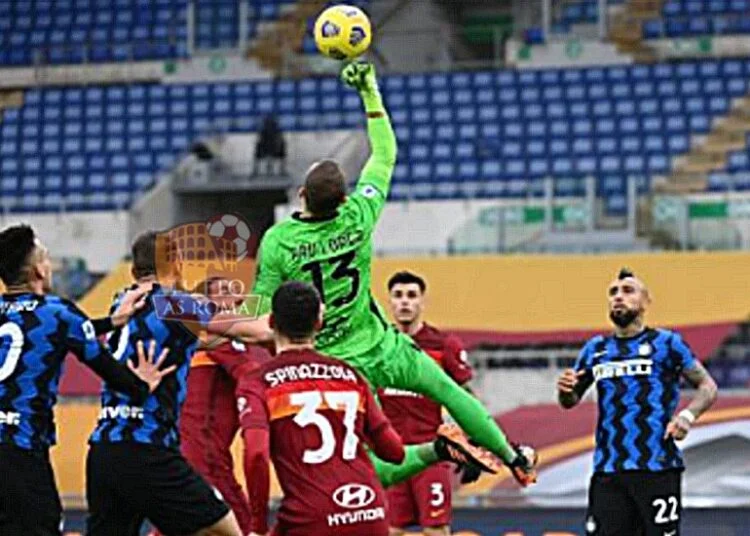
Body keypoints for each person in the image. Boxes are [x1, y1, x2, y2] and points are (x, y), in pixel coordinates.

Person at [250, 61, 536, 483]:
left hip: (339, 363)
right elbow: (385, 152)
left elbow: (255, 308)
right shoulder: (359, 215)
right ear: (345, 199)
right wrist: (369, 91)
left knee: (372, 470)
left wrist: (213, 317)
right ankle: (514, 457)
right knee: (448, 392)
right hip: (384, 344)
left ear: (301, 195)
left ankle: (435, 450)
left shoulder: (279, 240)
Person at [237, 281, 503, 536]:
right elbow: (394, 452)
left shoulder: (258, 381)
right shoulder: (350, 375)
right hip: (369, 512)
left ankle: (439, 449)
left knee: (435, 527)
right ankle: (439, 449)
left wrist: (258, 525)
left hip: (310, 517)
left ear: (271, 322)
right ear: (319, 322)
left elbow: (257, 454)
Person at [86, 231, 272, 536]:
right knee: (226, 531)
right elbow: (255, 333)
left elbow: (198, 339)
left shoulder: (123, 301)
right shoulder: (176, 305)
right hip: (147, 447)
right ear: (177, 263)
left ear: (135, 271)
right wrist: (288, 313)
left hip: (105, 450)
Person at [0, 224, 172, 535]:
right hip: (19, 449)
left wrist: (112, 321)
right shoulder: (56, 313)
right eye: (47, 258)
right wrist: (141, 384)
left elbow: (41, 336)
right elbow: (105, 366)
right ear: (38, 270)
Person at [557, 268, 719, 536]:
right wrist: (565, 391)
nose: (618, 297)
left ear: (645, 302)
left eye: (628, 291)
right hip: (608, 471)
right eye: (613, 292)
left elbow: (708, 386)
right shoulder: (595, 350)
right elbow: (570, 400)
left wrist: (686, 417)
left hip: (656, 467)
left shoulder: (667, 343)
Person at [158, 277, 272, 536]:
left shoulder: (193, 343)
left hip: (185, 459)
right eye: (223, 291)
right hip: (207, 463)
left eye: (235, 289)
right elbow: (253, 375)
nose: (234, 296)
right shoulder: (221, 341)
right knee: (248, 527)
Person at [380, 271, 474, 536]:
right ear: (390, 302)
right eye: (398, 296)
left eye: (411, 295)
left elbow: (465, 398)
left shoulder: (443, 345)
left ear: (423, 301)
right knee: (391, 530)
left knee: (436, 530)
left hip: (429, 455)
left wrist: (473, 442)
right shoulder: (377, 345)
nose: (405, 302)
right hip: (391, 456)